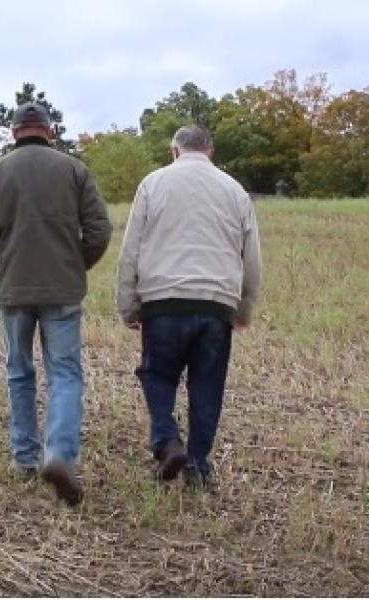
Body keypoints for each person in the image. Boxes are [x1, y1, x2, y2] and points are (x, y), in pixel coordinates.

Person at [0, 102, 112, 506]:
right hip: (63, 290)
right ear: (50, 130)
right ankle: (59, 455)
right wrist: (75, 264)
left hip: (12, 290)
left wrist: (3, 269)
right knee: (64, 373)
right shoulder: (74, 171)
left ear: (13, 133)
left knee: (19, 373)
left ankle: (26, 458)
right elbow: (99, 230)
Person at [116, 125, 261, 488]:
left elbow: (131, 248)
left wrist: (128, 302)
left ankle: (166, 439)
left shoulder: (152, 184)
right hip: (216, 304)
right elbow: (252, 256)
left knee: (157, 373)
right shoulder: (235, 190)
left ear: (174, 150)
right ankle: (197, 464)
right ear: (210, 150)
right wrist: (243, 309)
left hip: (163, 299)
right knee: (207, 384)